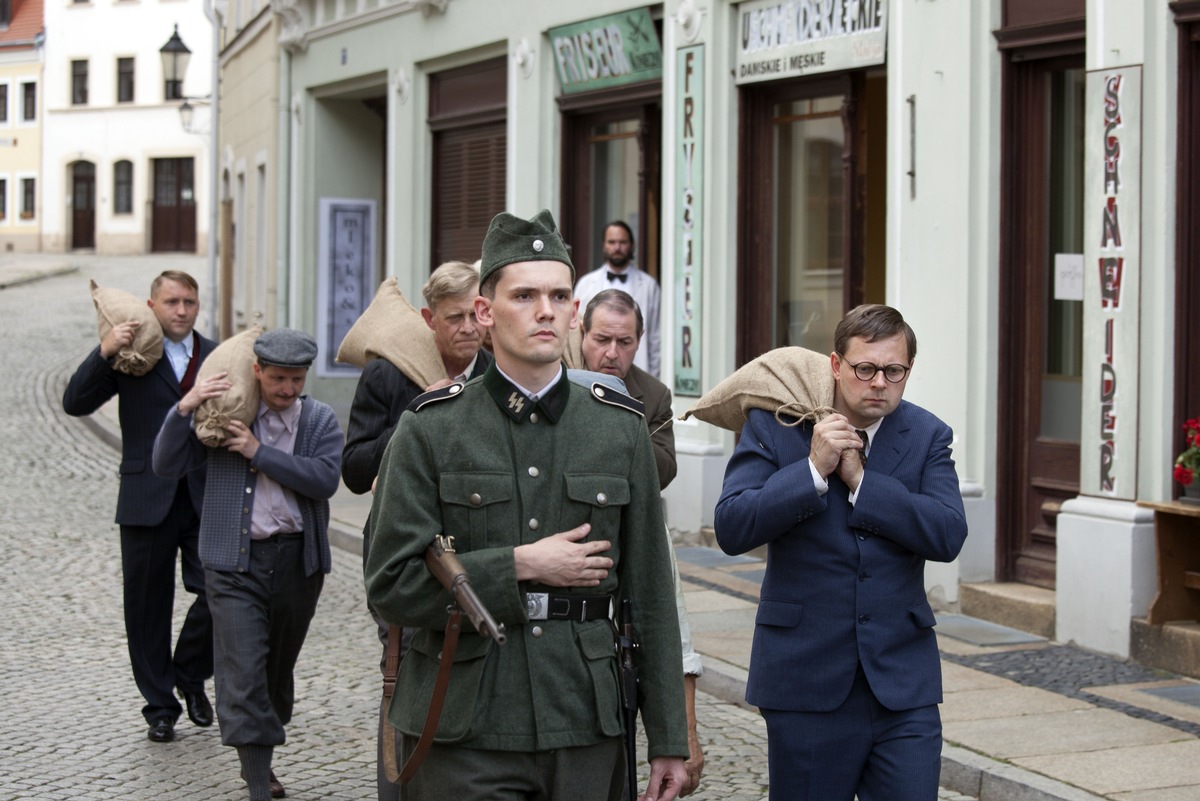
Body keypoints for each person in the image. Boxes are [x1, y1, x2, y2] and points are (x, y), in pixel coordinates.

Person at [365, 209, 689, 801]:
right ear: (485, 313)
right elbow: (390, 584)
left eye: (559, 295)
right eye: (525, 295)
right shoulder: (431, 429)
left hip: (584, 720)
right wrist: (517, 563)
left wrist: (668, 736)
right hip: (467, 724)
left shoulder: (619, 430)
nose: (545, 309)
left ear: (572, 311)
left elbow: (651, 596)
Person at [713, 304, 968, 801]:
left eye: (893, 371)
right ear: (835, 365)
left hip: (902, 683)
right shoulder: (776, 425)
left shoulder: (927, 435)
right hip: (805, 678)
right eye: (865, 369)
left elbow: (947, 534)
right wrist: (811, 468)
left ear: (908, 371)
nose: (879, 383)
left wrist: (862, 482)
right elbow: (732, 526)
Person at [152, 329, 343, 801]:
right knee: (242, 670)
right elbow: (165, 463)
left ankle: (262, 755)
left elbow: (324, 480)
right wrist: (186, 406)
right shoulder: (225, 418)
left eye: (296, 380)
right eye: (278, 379)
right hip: (234, 565)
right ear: (257, 372)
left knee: (275, 673)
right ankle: (258, 782)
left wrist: (260, 455)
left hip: (298, 563)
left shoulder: (318, 420)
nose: (287, 389)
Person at [341, 260, 492, 801]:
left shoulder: (497, 369)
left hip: (479, 553)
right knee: (404, 681)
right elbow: (355, 469)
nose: (470, 329)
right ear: (430, 319)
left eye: (477, 315)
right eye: (455, 318)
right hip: (406, 554)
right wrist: (419, 410)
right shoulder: (389, 373)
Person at [62, 269, 215, 743]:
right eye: (172, 302)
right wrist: (105, 351)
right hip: (145, 496)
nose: (182, 311)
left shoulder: (214, 356)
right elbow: (74, 402)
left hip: (203, 497)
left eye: (189, 302)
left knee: (219, 592)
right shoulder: (132, 357)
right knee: (145, 607)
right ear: (152, 306)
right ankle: (160, 707)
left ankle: (188, 674)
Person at [579, 288, 705, 795]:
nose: (611, 353)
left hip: (633, 537)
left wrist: (617, 424)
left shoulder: (650, 396)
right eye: (601, 339)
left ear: (639, 342)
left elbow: (662, 469)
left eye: (623, 342)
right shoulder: (553, 381)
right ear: (580, 334)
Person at [574, 221, 661, 378]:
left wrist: (653, 377)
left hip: (639, 372)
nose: (617, 248)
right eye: (612, 242)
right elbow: (575, 333)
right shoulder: (586, 283)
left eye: (622, 242)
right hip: (591, 374)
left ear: (632, 245)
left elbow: (655, 338)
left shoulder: (649, 285)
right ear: (604, 245)